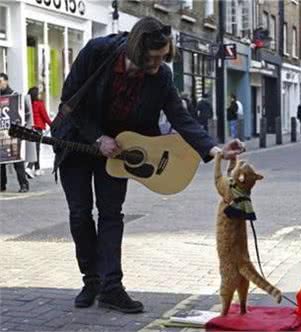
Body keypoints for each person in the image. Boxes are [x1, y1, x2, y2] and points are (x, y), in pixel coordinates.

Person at [50, 17, 244, 314]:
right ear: (136, 48)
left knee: (111, 215)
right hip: (77, 141)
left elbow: (180, 117)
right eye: (152, 57)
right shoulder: (97, 52)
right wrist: (98, 137)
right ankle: (91, 280)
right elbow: (68, 103)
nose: (157, 64)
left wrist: (216, 150)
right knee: (79, 214)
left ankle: (111, 287)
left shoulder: (161, 76)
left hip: (119, 150)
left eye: (163, 57)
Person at [0, 73, 30, 193]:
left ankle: (24, 184)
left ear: (6, 81)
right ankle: (2, 185)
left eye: (1, 81)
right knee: (1, 161)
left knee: (17, 160)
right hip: (2, 134)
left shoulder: (16, 96)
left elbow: (26, 113)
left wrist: (23, 126)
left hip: (14, 133)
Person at [26, 86, 51, 176]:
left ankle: (37, 169)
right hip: (38, 129)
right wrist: (53, 125)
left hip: (29, 128)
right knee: (36, 149)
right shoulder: (39, 104)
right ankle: (29, 167)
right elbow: (45, 116)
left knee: (35, 148)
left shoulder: (27, 104)